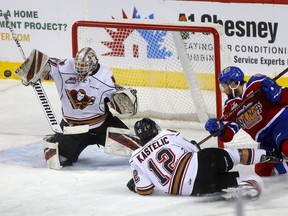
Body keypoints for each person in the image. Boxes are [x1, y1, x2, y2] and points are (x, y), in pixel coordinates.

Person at [16, 47, 138, 169]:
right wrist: (31, 70)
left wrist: (123, 96)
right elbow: (43, 64)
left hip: (102, 125)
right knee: (56, 160)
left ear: (93, 65)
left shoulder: (104, 77)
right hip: (72, 128)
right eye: (78, 69)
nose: (80, 74)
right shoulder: (64, 67)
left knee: (138, 149)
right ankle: (61, 143)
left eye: (84, 71)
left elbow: (117, 100)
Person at [127, 118, 282, 199]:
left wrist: (136, 185)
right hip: (204, 163)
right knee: (234, 156)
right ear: (155, 129)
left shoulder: (135, 158)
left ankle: (244, 181)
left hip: (191, 189)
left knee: (245, 181)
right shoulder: (166, 134)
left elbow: (145, 190)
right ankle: (274, 156)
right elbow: (194, 149)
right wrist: (193, 144)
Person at [204, 66, 288, 177]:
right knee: (262, 171)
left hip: (281, 122)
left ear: (233, 84)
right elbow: (228, 134)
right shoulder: (230, 107)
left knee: (287, 147)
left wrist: (279, 94)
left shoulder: (257, 83)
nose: (223, 90)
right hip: (266, 139)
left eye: (224, 86)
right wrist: (220, 130)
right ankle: (284, 158)